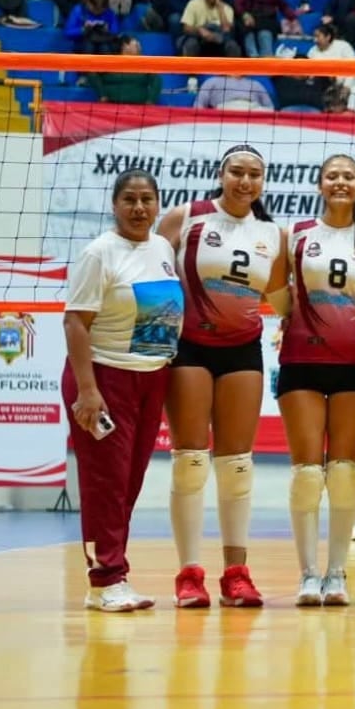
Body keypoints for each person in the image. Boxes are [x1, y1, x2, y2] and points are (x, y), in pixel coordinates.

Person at [157, 145, 288, 609]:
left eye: (255, 174)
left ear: (263, 182)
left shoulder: (273, 234)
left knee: (236, 466)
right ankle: (189, 573)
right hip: (189, 347)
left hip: (243, 350)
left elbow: (284, 299)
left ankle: (236, 573)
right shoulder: (186, 217)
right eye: (237, 172)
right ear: (221, 173)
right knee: (190, 461)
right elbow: (150, 273)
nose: (245, 181)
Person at [65, 169, 184, 612]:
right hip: (105, 376)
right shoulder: (99, 253)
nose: (139, 208)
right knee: (106, 483)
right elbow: (75, 322)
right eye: (129, 200)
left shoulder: (162, 248)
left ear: (158, 205)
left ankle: (116, 574)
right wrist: (87, 390)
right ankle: (105, 580)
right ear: (115, 205)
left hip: (152, 377)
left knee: (129, 483)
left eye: (147, 200)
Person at [280, 155, 355, 608]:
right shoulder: (297, 234)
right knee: (308, 473)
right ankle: (308, 574)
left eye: (349, 175)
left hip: (354, 365)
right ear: (320, 184)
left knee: (345, 473)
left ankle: (337, 572)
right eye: (333, 175)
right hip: (302, 360)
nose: (341, 182)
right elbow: (277, 291)